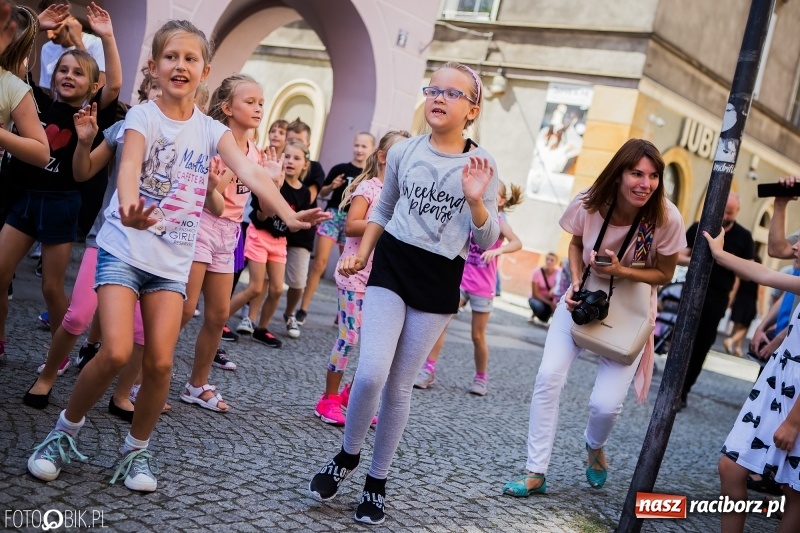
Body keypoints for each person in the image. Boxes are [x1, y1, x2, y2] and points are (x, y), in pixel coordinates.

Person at [26, 19, 327, 493]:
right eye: (171, 57)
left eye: (190, 58)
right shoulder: (143, 117)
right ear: (154, 66)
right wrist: (130, 208)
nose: (180, 65)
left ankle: (135, 450)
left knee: (161, 364)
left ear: (205, 71)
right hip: (124, 250)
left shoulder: (210, 130)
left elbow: (250, 171)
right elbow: (129, 164)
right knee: (116, 350)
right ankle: (63, 433)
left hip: (170, 265)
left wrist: (289, 216)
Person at [308, 61, 500, 525]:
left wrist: (476, 200)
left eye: (452, 93)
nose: (439, 98)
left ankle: (377, 480)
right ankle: (347, 454)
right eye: (434, 89)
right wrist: (361, 255)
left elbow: (487, 238)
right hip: (392, 266)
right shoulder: (404, 152)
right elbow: (384, 207)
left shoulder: (483, 164)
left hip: (439, 279)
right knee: (371, 372)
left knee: (398, 385)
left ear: (472, 110)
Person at [501, 138, 686, 497]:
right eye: (636, 174)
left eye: (653, 176)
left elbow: (665, 273)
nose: (645, 184)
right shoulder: (589, 202)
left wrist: (622, 271)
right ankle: (536, 471)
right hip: (582, 299)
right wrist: (574, 281)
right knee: (548, 377)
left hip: (630, 311)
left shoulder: (664, 217)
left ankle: (595, 445)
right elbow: (574, 244)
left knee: (605, 405)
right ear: (618, 174)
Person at [0, 1, 119, 362]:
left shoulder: (92, 113)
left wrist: (107, 37)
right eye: (63, 70)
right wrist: (36, 27)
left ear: (92, 85)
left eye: (78, 73)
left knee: (52, 288)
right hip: (26, 199)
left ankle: (59, 355)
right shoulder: (36, 102)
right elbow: (16, 65)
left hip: (61, 205)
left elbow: (114, 83)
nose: (69, 76)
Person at [177, 74, 270, 414]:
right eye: (250, 102)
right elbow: (209, 199)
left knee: (217, 315)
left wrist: (271, 182)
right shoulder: (215, 143)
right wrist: (235, 169)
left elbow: (263, 209)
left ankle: (196, 385)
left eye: (261, 103)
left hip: (230, 233)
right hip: (202, 225)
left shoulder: (257, 153)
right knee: (185, 308)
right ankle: (142, 377)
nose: (258, 108)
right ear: (228, 108)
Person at [702, 228, 800, 533]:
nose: (795, 247)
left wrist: (793, 422)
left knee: (795, 492)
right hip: (777, 384)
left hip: (797, 402)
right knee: (730, 466)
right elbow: (764, 274)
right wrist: (719, 254)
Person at [314, 129, 410, 426]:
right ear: (382, 157)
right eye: (398, 153)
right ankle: (328, 399)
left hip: (383, 279)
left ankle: (352, 397)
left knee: (376, 345)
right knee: (349, 336)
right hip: (354, 274)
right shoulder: (368, 188)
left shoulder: (404, 194)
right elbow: (351, 226)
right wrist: (384, 222)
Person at [414, 180, 523, 395]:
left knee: (477, 336)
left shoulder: (500, 221)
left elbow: (517, 242)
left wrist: (498, 251)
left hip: (483, 287)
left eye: (494, 193)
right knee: (441, 323)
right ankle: (428, 370)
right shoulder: (471, 214)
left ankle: (481, 378)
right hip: (462, 282)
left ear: (501, 200)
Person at [229, 140, 310, 350]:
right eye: (287, 156)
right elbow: (261, 216)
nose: (290, 161)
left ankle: (261, 329)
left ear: (305, 165)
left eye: (296, 158)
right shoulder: (269, 181)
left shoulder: (304, 193)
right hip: (259, 235)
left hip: (279, 241)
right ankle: (218, 321)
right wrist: (275, 187)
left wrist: (304, 222)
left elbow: (294, 226)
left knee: (276, 289)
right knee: (255, 288)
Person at [678, 192, 753, 410]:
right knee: (681, 340)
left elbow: (748, 273)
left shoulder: (744, 237)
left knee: (702, 345)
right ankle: (671, 386)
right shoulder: (700, 226)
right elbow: (677, 256)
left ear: (737, 212)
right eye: (723, 211)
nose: (726, 216)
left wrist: (729, 262)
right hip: (691, 292)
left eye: (730, 212)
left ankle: (683, 391)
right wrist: (698, 259)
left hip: (718, 297)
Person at [296, 132, 376, 330]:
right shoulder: (340, 168)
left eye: (364, 146)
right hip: (334, 215)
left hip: (356, 222)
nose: (359, 149)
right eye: (356, 145)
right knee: (319, 263)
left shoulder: (371, 175)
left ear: (372, 150)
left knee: (351, 268)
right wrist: (332, 185)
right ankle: (303, 308)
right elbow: (322, 191)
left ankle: (342, 312)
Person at [37, 1, 105, 90]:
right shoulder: (47, 48)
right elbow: (46, 89)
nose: (49, 35)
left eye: (55, 27)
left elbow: (99, 86)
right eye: (46, 28)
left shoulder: (95, 44)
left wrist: (78, 42)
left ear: (71, 22)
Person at [723, 257, 764, 357]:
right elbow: (760, 293)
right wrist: (761, 309)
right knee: (745, 327)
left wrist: (730, 301)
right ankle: (731, 340)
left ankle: (737, 348)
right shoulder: (759, 275)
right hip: (750, 302)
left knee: (737, 325)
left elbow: (735, 287)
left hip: (739, 300)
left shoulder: (743, 273)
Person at [528, 252, 561, 324]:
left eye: (552, 260)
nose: (549, 261)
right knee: (539, 307)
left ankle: (552, 322)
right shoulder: (537, 272)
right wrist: (549, 303)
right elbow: (535, 294)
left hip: (551, 298)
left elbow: (559, 284)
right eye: (547, 259)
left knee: (559, 307)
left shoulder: (559, 272)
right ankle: (534, 314)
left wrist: (553, 289)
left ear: (556, 262)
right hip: (537, 298)